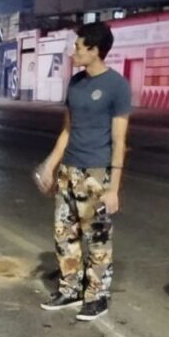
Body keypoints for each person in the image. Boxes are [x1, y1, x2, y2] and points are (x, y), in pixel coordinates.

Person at [38, 22, 131, 321]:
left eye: (78, 47)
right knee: (64, 234)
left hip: (96, 173)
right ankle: (70, 289)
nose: (73, 52)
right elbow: (67, 130)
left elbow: (119, 141)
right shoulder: (75, 84)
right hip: (69, 170)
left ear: (94, 50)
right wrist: (50, 165)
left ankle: (97, 296)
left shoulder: (117, 86)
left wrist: (113, 188)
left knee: (98, 238)